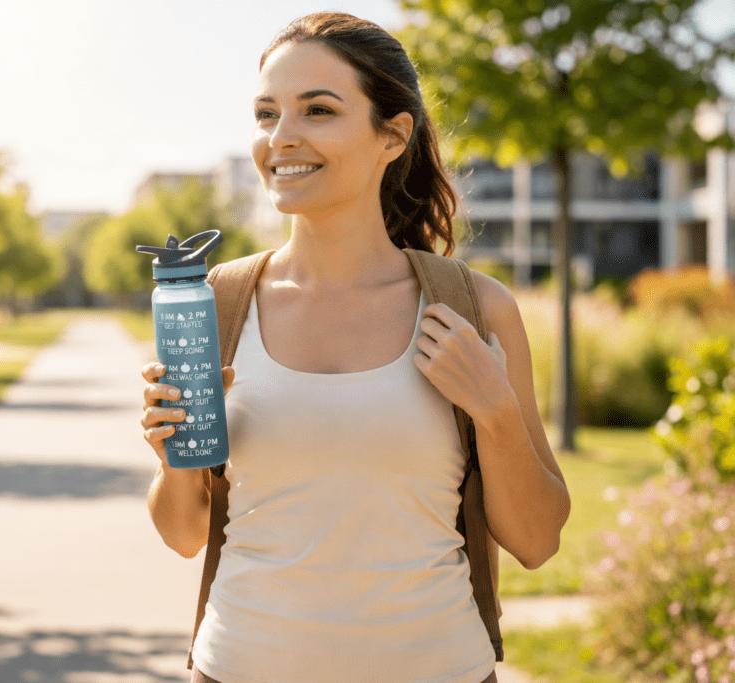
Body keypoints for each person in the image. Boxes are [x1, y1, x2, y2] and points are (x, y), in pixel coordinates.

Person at [140, 12, 571, 683]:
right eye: (266, 114)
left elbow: (538, 541)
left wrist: (496, 410)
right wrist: (174, 459)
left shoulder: (475, 308)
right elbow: (183, 533)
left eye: (318, 110)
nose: (282, 138)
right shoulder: (215, 303)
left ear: (393, 135)